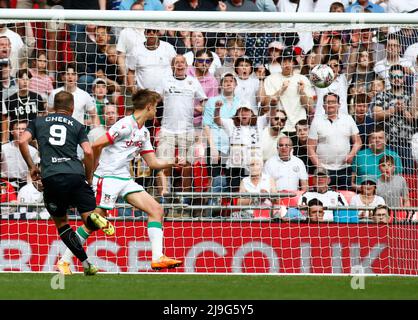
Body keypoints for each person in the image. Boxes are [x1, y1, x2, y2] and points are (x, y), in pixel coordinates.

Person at [18, 90, 115, 276]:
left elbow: (22, 141)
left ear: (54, 106)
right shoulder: (77, 125)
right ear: (71, 108)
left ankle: (85, 264)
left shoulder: (38, 122)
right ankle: (87, 256)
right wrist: (89, 176)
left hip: (51, 178)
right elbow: (88, 152)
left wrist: (32, 167)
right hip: (75, 176)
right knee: (89, 220)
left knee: (62, 224)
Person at [91, 88, 182, 270]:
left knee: (156, 209)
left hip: (124, 178)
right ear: (148, 107)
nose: (156, 111)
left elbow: (153, 163)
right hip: (107, 177)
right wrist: (93, 172)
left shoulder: (144, 133)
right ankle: (65, 260)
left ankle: (158, 257)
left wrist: (174, 162)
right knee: (92, 223)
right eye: (155, 107)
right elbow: (96, 145)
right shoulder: (124, 125)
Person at [308, 93, 362, 190]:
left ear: (339, 105)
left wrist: (351, 154)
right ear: (324, 106)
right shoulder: (316, 121)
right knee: (323, 198)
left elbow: (358, 142)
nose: (331, 104)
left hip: (344, 169)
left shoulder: (348, 119)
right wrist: (319, 167)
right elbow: (310, 147)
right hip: (324, 170)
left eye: (333, 102)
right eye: (328, 102)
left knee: (343, 199)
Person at [351, 125, 403, 192]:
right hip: (362, 194)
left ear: (386, 140)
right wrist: (366, 189)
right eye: (374, 138)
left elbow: (398, 182)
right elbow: (351, 183)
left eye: (380, 138)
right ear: (369, 140)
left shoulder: (394, 156)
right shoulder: (359, 155)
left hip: (387, 194)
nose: (377, 140)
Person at [1, 121, 39, 191]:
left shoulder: (33, 151)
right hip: (6, 184)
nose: (21, 131)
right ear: (12, 131)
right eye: (18, 129)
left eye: (24, 129)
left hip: (25, 184)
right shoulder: (3, 148)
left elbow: (36, 169)